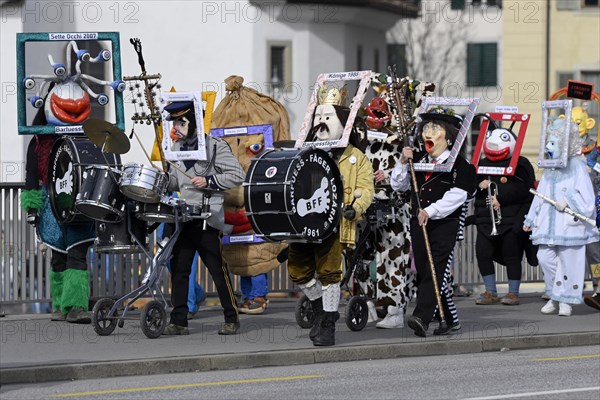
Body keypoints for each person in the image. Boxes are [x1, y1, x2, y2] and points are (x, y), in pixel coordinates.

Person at [288, 89, 374, 346]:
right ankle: (321, 307)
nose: (321, 122)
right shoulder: (306, 152)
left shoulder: (356, 158)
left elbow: (367, 190)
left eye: (328, 116)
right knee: (297, 271)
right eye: (318, 116)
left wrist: (355, 208)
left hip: (335, 224)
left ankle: (327, 325)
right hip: (305, 222)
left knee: (329, 273)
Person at [161, 100, 245, 335]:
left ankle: (231, 318)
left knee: (217, 271)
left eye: (181, 122)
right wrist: (165, 180)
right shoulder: (176, 149)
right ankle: (178, 321)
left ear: (195, 122)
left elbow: (238, 174)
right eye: (175, 122)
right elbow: (178, 182)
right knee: (179, 270)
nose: (176, 127)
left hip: (207, 219)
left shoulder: (215, 147)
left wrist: (210, 181)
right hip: (184, 218)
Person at [391, 107, 477, 337]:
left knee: (435, 271)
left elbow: (458, 196)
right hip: (419, 225)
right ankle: (450, 321)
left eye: (435, 128)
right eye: (426, 128)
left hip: (445, 226)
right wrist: (401, 162)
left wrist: (431, 210)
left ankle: (421, 317)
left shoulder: (462, 166)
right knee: (426, 272)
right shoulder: (417, 160)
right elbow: (398, 185)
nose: (428, 133)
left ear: (449, 136)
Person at [523, 119, 599, 317]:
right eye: (549, 142)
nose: (548, 147)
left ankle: (565, 301)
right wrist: (531, 219)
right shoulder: (550, 168)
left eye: (553, 143)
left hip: (569, 224)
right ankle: (556, 293)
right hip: (548, 224)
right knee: (544, 257)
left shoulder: (577, 166)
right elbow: (540, 194)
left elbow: (587, 199)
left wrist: (569, 201)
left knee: (569, 261)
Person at [472, 123, 536, 306]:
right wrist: (479, 185)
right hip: (486, 219)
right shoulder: (482, 163)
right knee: (482, 253)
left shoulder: (521, 163)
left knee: (512, 255)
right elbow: (470, 185)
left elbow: (526, 188)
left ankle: (513, 292)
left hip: (510, 218)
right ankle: (490, 291)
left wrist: (503, 198)